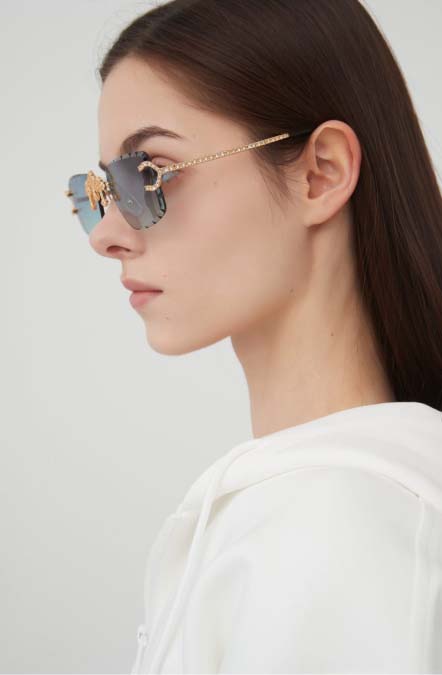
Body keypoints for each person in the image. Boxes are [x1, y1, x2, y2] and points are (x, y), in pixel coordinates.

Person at [82, 0, 442, 671]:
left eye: (148, 173)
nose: (106, 234)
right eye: (100, 190)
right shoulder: (316, 508)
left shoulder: (329, 525)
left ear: (321, 173)